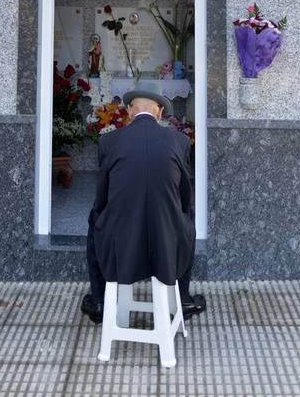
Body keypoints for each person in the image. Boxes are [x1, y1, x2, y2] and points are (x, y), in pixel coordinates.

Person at [81, 83, 206, 324]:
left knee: (95, 219)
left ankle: (99, 300)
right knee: (187, 216)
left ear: (129, 111)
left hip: (120, 239)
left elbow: (102, 197)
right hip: (167, 238)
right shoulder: (179, 141)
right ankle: (183, 296)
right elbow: (184, 195)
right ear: (159, 112)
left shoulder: (109, 142)